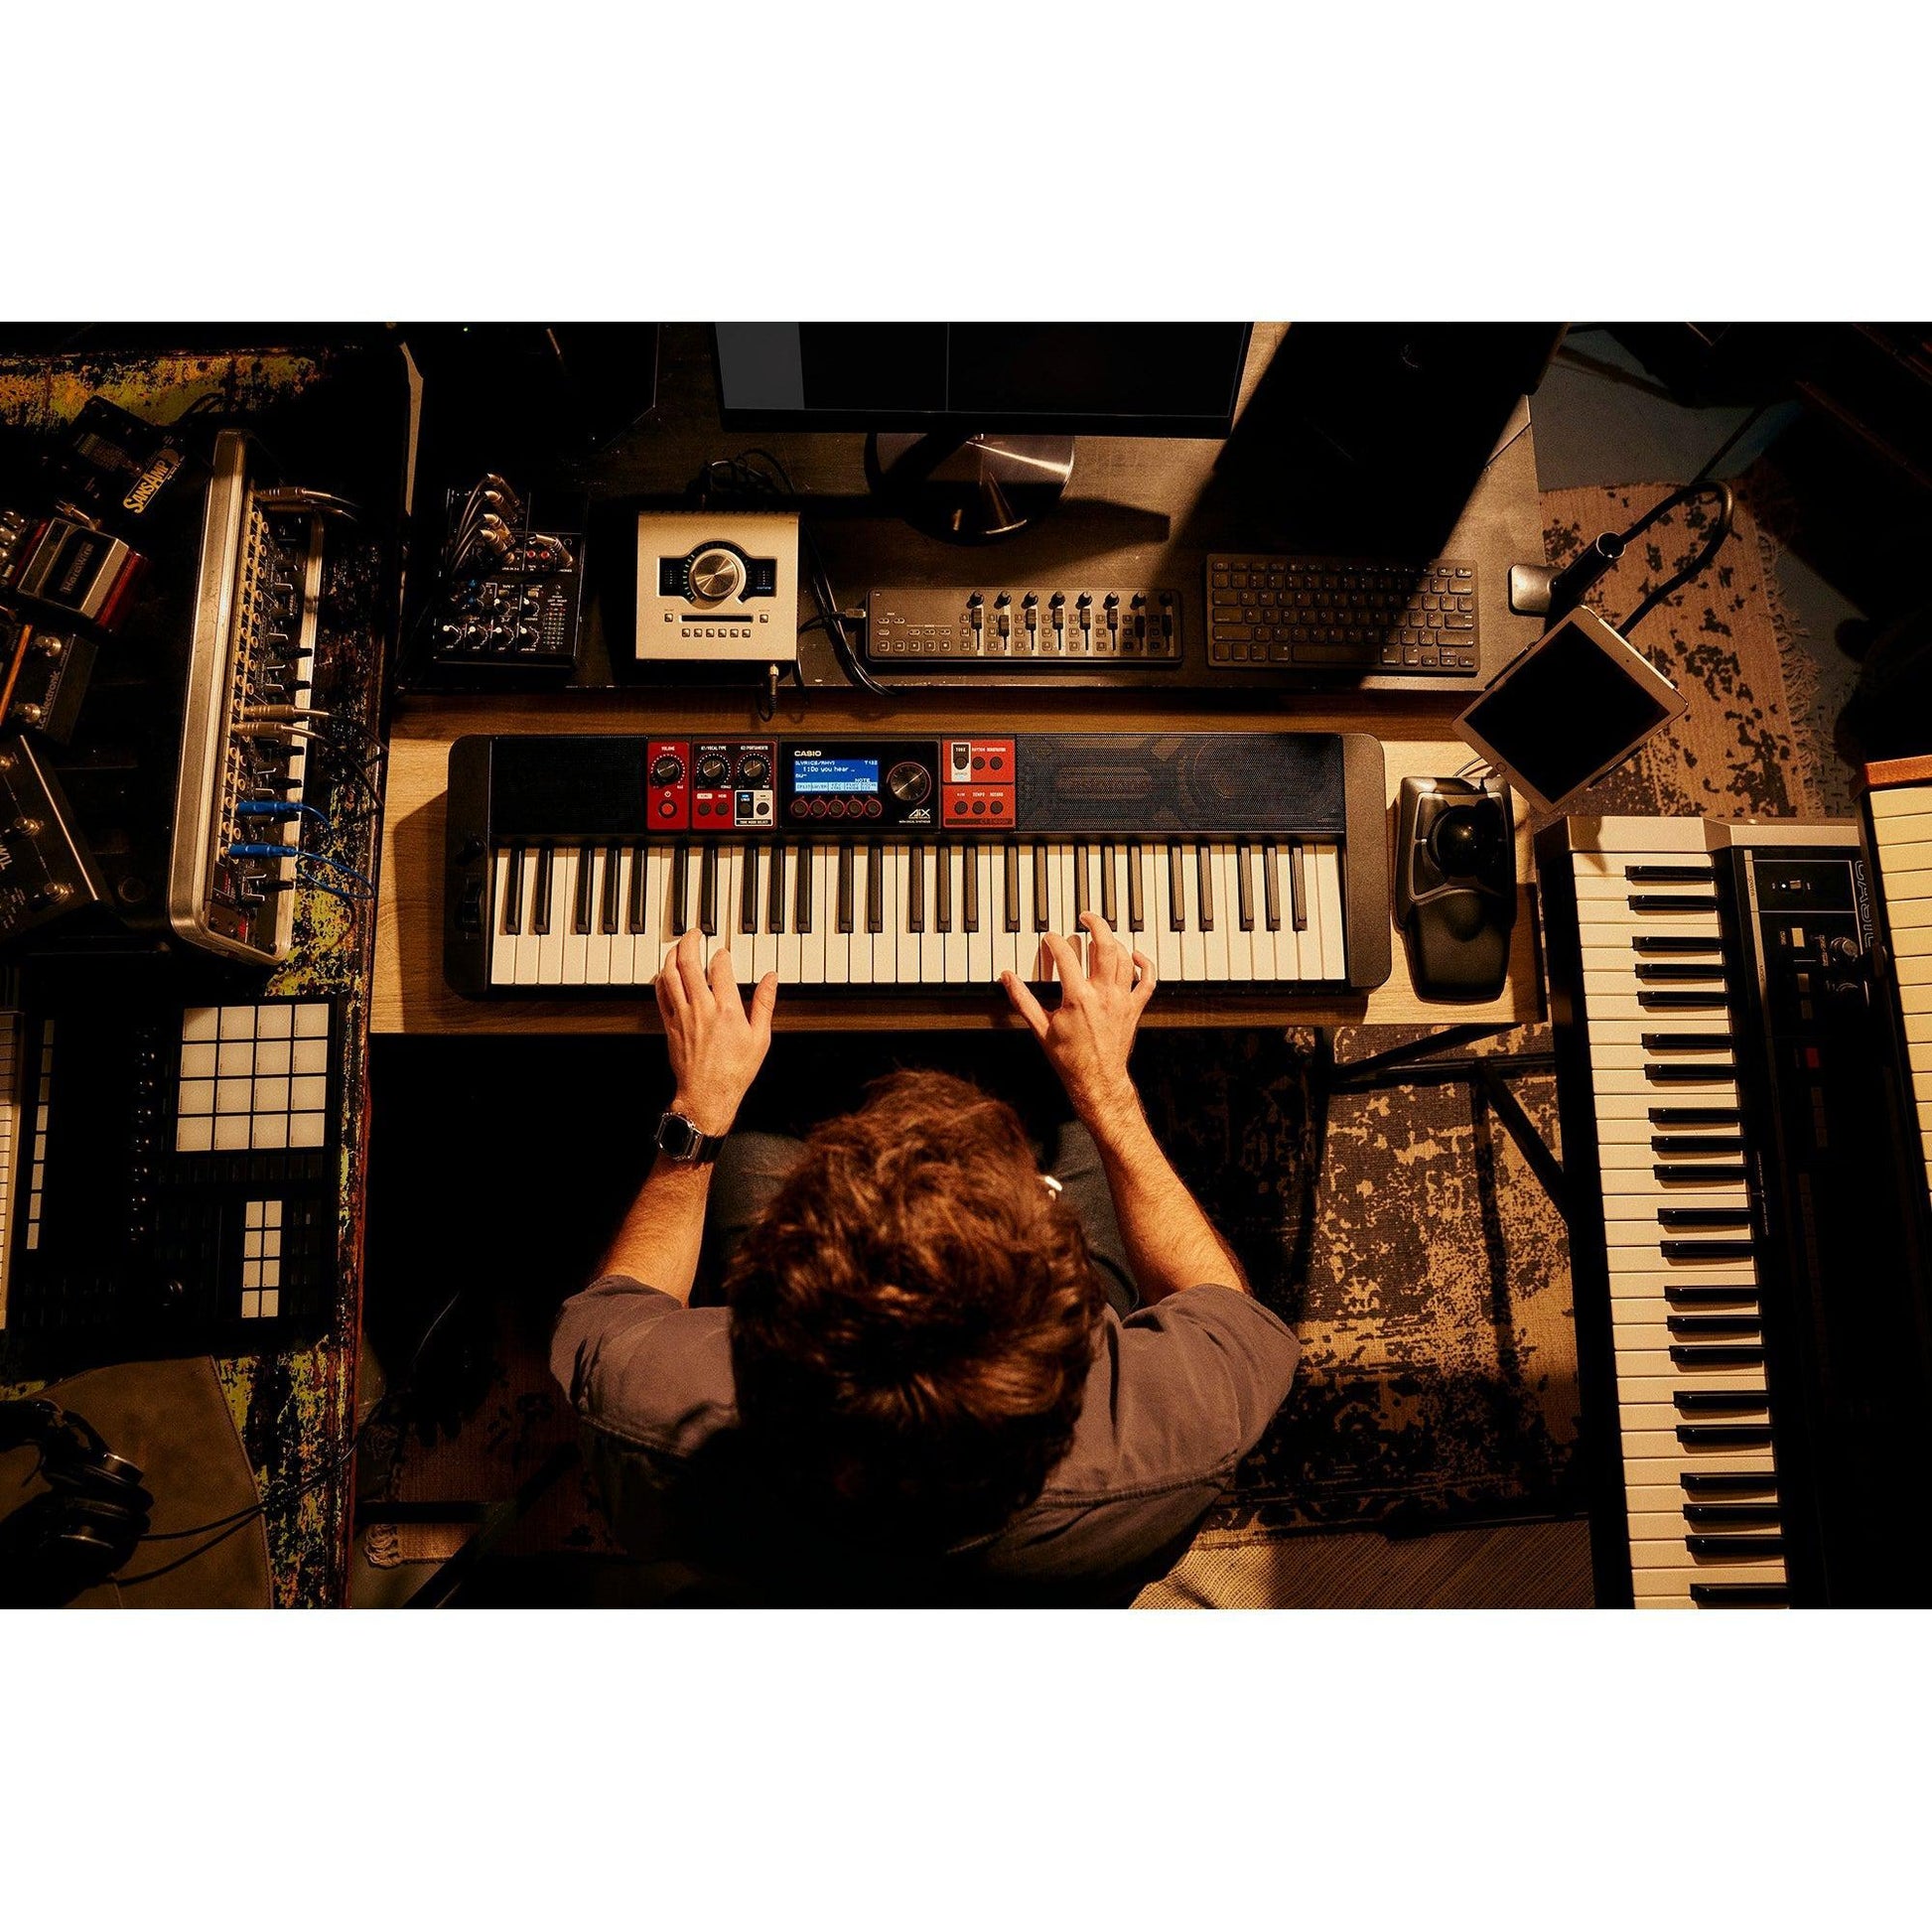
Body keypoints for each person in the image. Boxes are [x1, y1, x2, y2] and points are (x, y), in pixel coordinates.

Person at [551, 915, 1301, 1604]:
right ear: (1073, 1342)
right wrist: (1106, 1091)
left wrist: (701, 1109)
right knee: (1061, 1110)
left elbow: (618, 1301)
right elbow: (1220, 1298)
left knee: (767, 1102)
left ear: (752, 1342)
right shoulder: (1184, 1433)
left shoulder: (640, 1416)